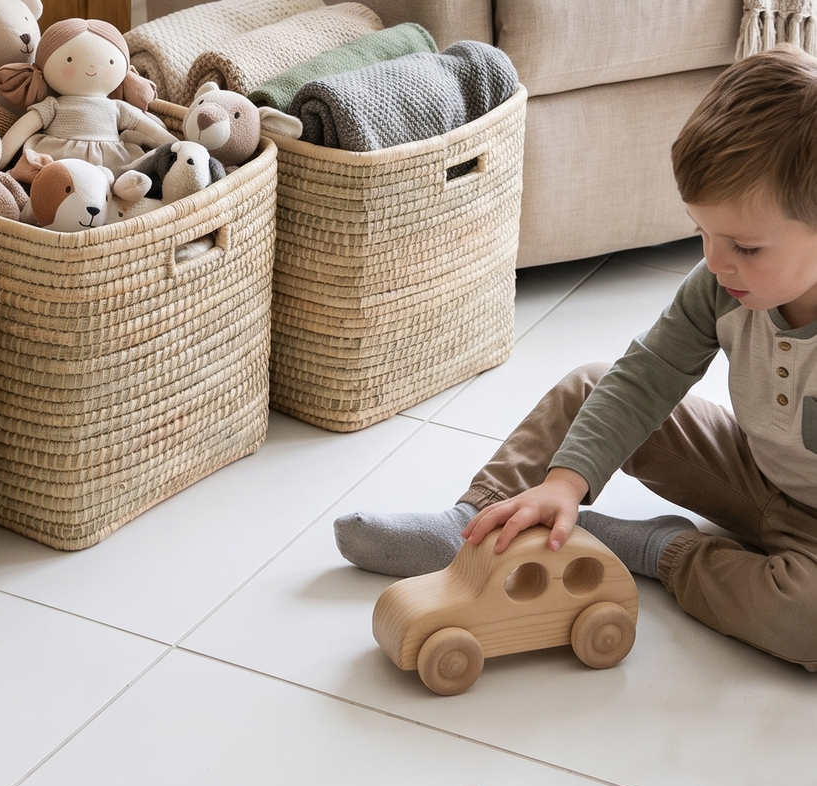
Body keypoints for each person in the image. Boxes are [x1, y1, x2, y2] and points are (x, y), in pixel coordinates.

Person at [335, 46, 817, 670]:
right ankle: (479, 526)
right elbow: (649, 374)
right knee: (596, 386)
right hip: (755, 475)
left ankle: (652, 551)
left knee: (804, 621)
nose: (718, 262)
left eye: (746, 247)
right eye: (704, 234)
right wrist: (566, 480)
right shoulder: (719, 286)